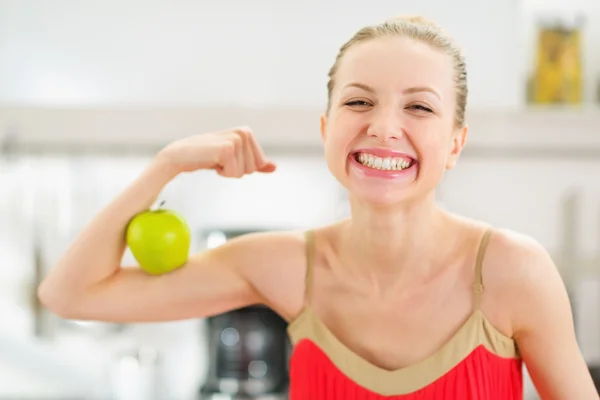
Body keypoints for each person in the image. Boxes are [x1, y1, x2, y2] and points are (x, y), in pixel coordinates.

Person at [38, 15, 598, 399]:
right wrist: (166, 165)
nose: (382, 127)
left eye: (419, 108)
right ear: (328, 127)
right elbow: (68, 293)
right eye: (358, 101)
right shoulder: (286, 267)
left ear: (455, 143)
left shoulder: (510, 272)